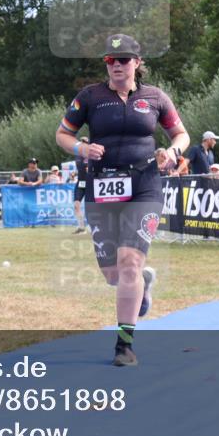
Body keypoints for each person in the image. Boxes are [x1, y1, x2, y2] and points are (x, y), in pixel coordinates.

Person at [56, 33, 189, 367]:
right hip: (101, 186)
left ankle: (124, 345)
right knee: (113, 275)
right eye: (111, 60)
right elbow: (62, 134)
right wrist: (81, 149)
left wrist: (173, 151)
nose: (117, 65)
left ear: (137, 63)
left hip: (144, 185)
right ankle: (142, 285)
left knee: (130, 261)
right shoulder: (90, 97)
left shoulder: (155, 98)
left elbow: (181, 134)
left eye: (124, 59)